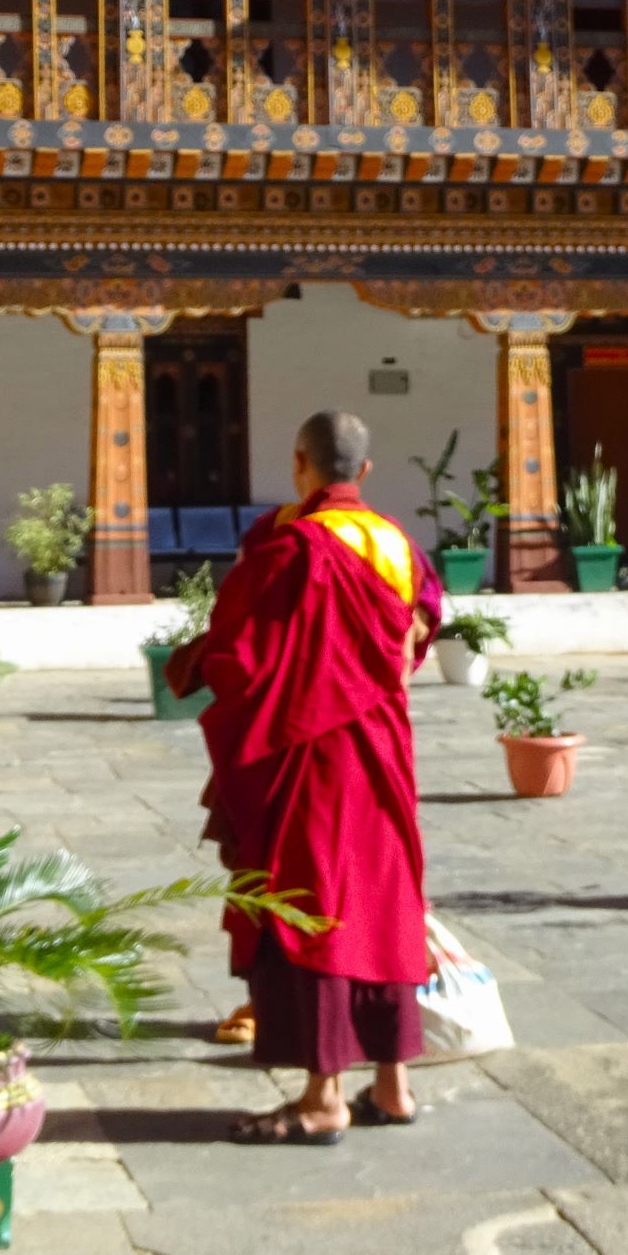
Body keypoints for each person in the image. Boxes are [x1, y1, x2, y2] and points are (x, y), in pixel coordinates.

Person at [169, 408, 440, 1143]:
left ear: (300, 462)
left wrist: (195, 660)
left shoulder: (293, 546)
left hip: (312, 759)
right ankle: (393, 1083)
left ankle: (324, 1098)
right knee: (383, 902)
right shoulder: (397, 543)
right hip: (382, 752)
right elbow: (417, 632)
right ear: (366, 472)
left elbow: (242, 654)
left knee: (315, 905)